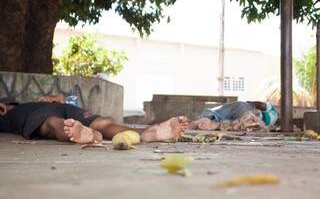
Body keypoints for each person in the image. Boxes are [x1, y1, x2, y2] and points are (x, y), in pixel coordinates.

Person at [0, 96, 189, 144]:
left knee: (103, 122)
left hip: (60, 107)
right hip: (41, 115)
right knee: (52, 123)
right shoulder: (10, 117)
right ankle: (87, 134)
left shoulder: (17, 104)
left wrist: (54, 96)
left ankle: (147, 133)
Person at [189, 101, 278, 131]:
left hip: (249, 112)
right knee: (238, 125)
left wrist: (250, 103)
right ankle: (212, 124)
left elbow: (261, 105)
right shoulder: (273, 113)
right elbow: (262, 105)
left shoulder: (273, 112)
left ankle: (211, 123)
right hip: (251, 115)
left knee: (238, 124)